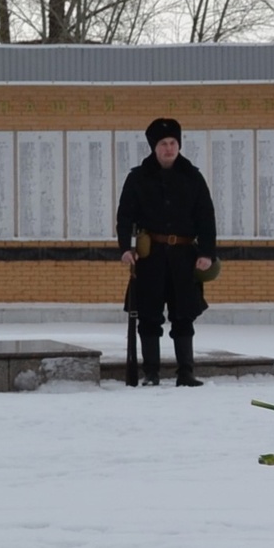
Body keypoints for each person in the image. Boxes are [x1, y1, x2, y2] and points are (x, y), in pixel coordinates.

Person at [116, 118, 217, 387]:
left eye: (173, 143)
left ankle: (186, 372)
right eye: (163, 144)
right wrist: (125, 248)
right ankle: (151, 373)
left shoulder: (192, 177)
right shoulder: (137, 178)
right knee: (148, 316)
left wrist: (207, 252)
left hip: (184, 256)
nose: (169, 148)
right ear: (154, 147)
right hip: (150, 258)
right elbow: (124, 215)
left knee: (184, 314)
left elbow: (206, 217)